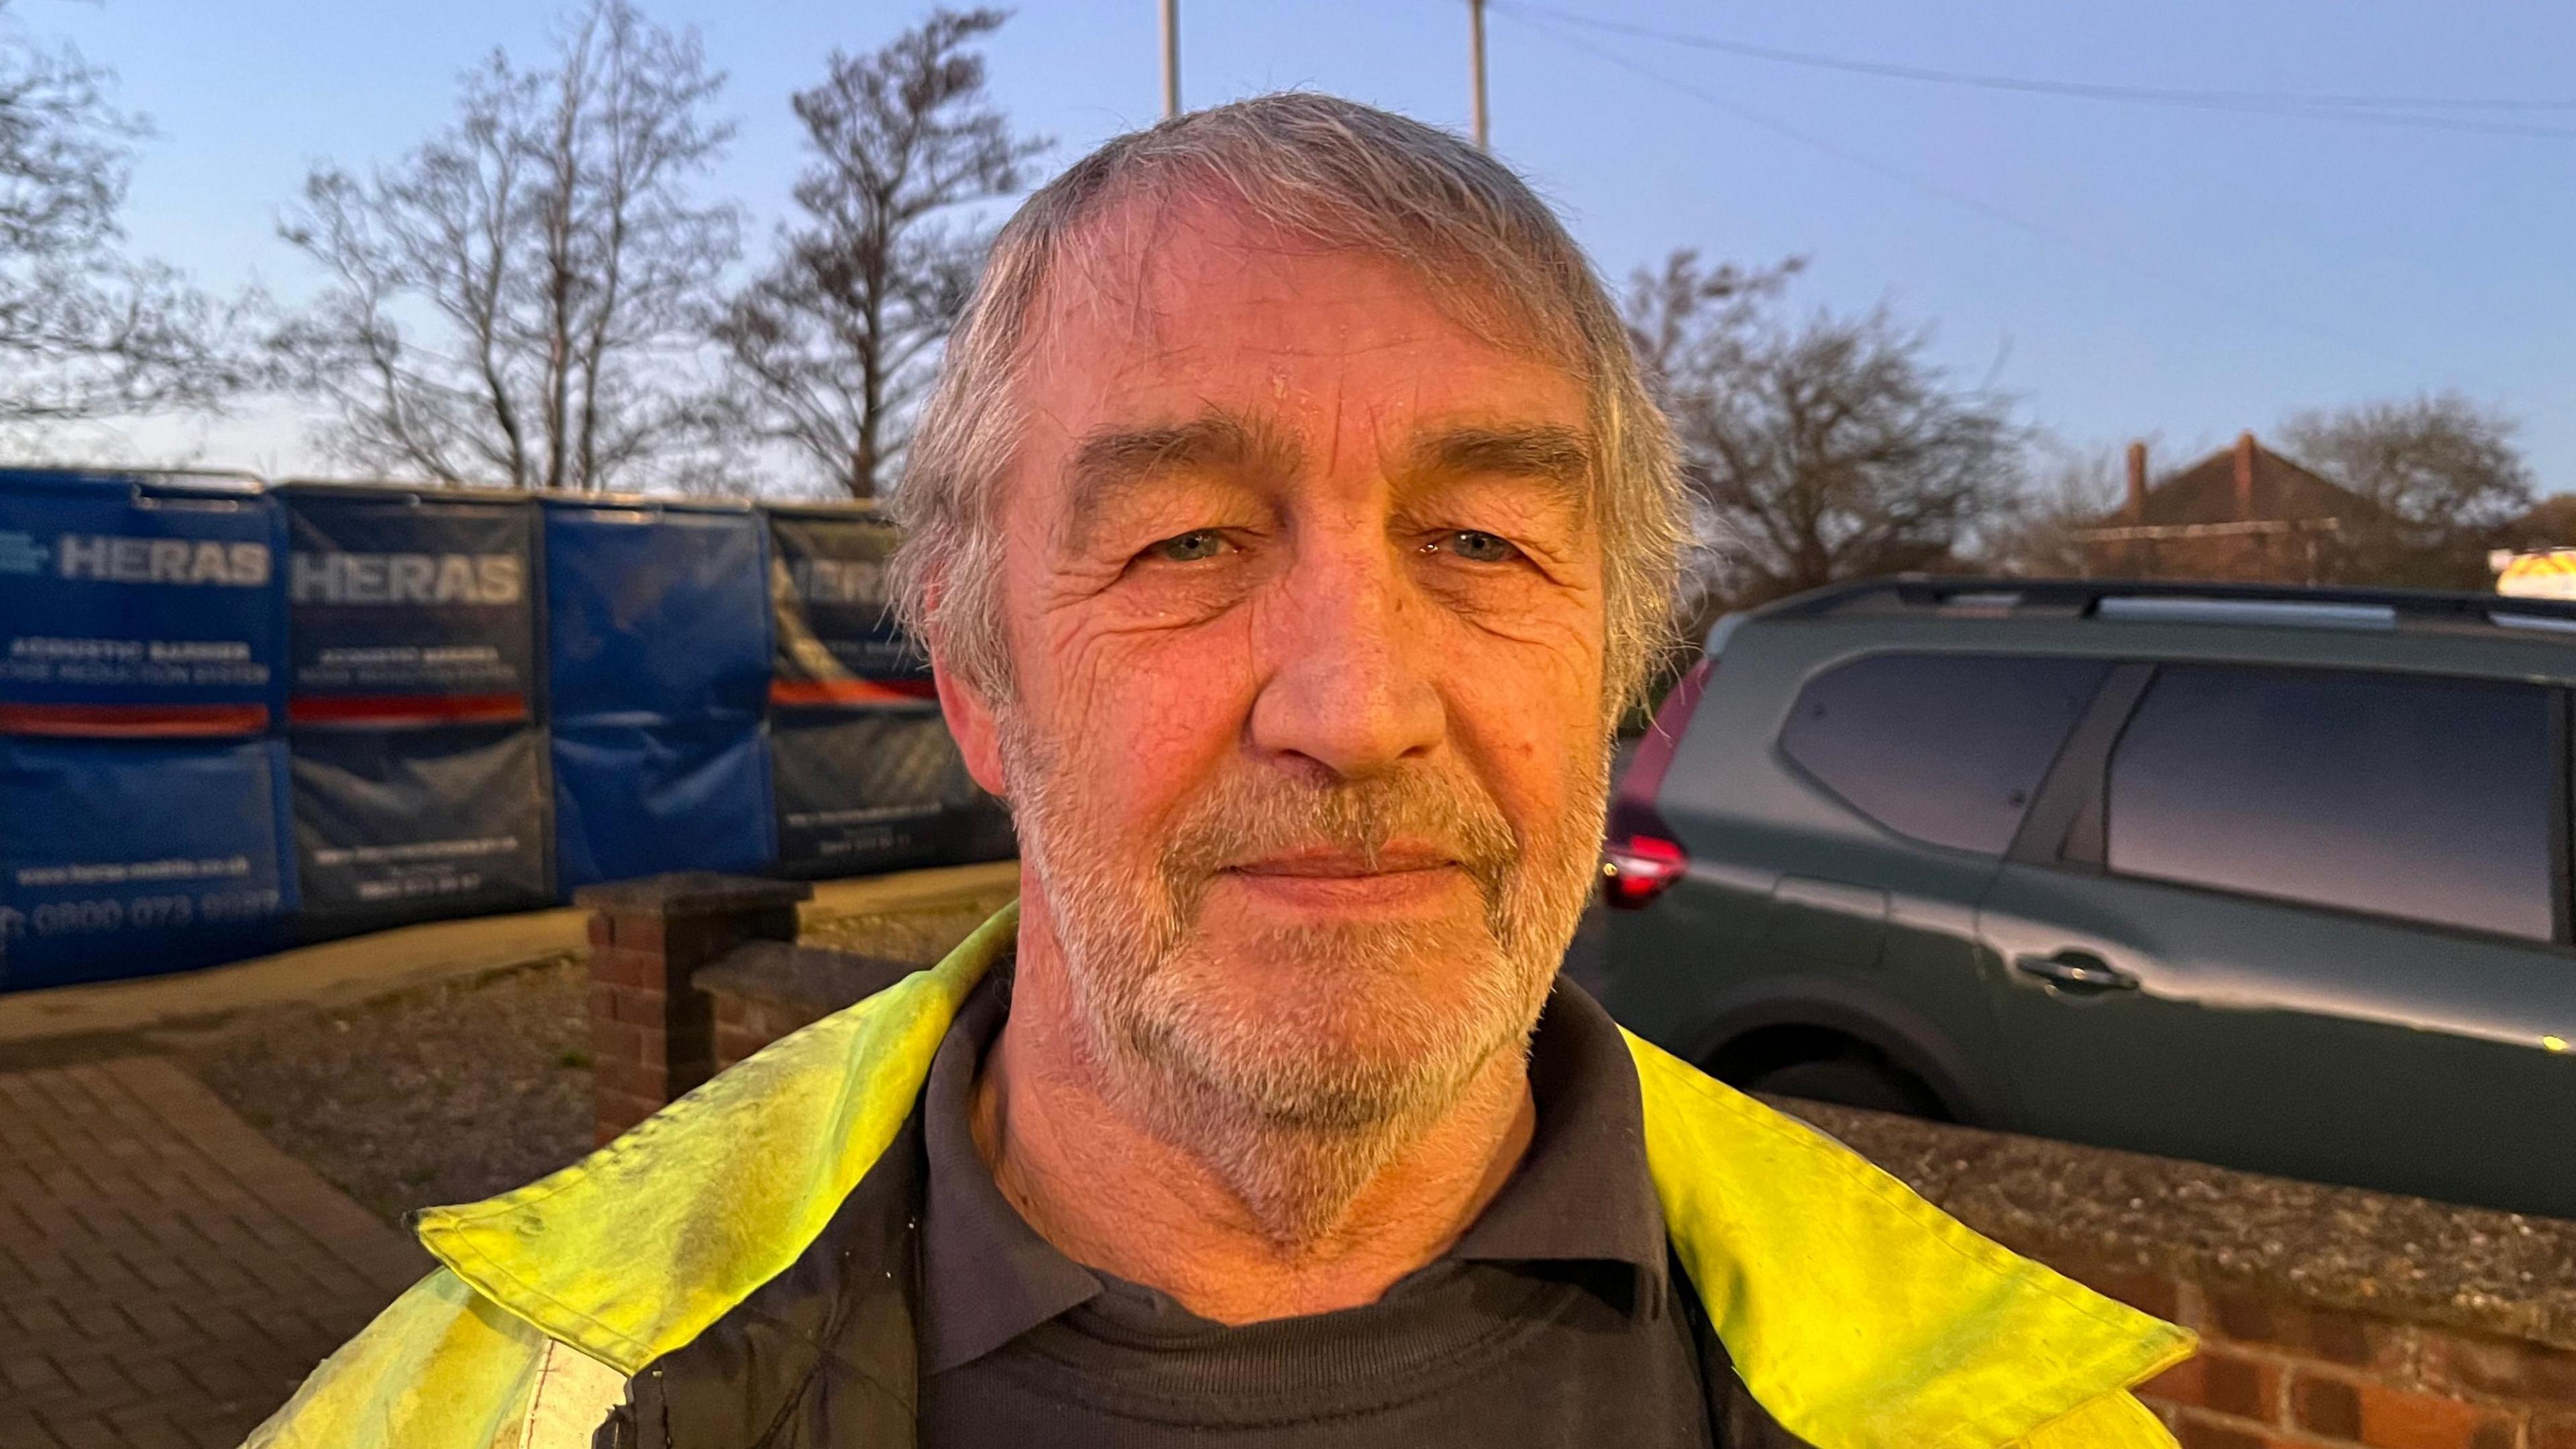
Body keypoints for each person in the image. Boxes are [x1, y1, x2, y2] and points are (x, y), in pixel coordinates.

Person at [249, 93, 2192, 1449]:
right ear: (983, 682)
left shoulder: (2002, 1420)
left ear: (1616, 659)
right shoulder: (510, 1407)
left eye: (1488, 545)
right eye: (1186, 543)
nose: (1355, 709)